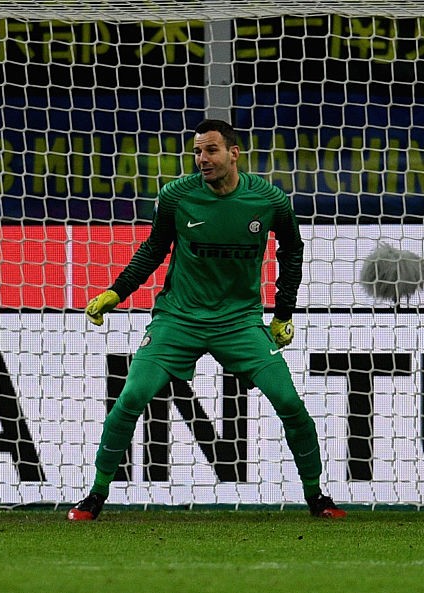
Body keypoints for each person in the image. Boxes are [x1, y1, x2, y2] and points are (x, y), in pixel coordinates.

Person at [68, 119, 346, 521]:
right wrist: (117, 292)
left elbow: (292, 251)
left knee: (288, 401)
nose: (202, 159)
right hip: (178, 319)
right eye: (197, 151)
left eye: (211, 150)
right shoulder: (177, 196)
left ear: (234, 153)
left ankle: (316, 495)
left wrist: (283, 312)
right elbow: (153, 249)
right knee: (130, 399)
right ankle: (95, 494)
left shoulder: (268, 200)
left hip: (239, 323)